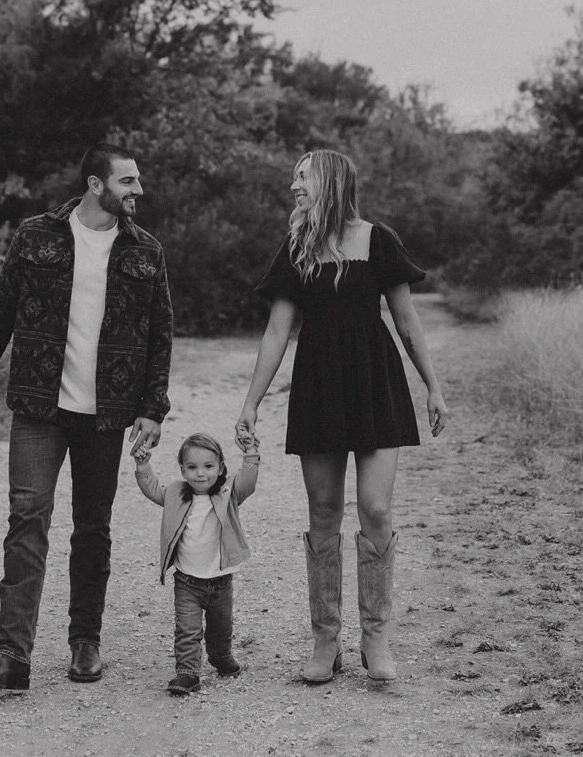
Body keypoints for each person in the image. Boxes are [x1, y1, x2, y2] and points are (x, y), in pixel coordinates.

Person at [0, 143, 173, 691]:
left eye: (137, 181)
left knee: (92, 529)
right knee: (27, 520)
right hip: (38, 406)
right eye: (128, 181)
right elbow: (0, 309)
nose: (137, 191)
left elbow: (160, 335)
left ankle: (85, 644)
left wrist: (152, 408)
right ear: (97, 185)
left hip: (106, 415)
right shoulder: (37, 236)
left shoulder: (146, 251)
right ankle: (12, 656)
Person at [235, 149, 448, 686]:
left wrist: (434, 387)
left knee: (375, 508)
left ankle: (376, 635)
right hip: (319, 385)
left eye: (301, 178)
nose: (293, 188)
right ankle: (325, 640)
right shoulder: (298, 246)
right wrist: (251, 402)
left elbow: (406, 320)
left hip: (376, 381)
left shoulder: (378, 239)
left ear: (329, 180)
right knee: (324, 509)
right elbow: (276, 333)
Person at [134, 431, 260, 695]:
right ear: (182, 469)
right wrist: (143, 465)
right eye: (192, 467)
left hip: (221, 580)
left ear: (221, 467)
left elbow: (247, 483)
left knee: (220, 627)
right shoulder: (176, 494)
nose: (200, 474)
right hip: (187, 581)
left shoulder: (228, 493)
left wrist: (250, 455)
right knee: (187, 629)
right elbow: (152, 489)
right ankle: (188, 672)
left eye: (208, 466)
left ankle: (220, 656)